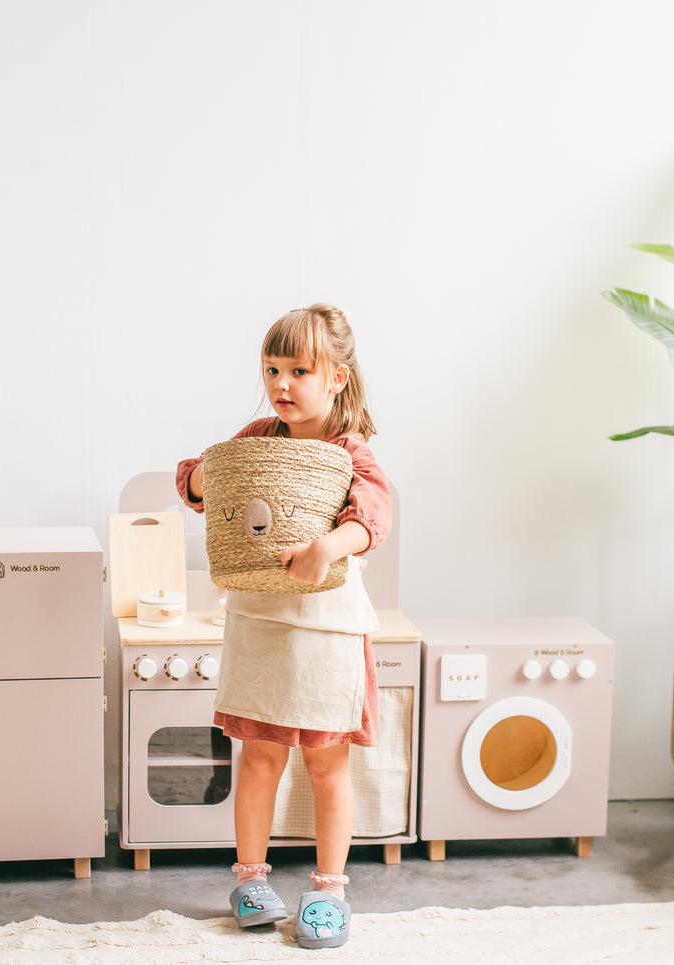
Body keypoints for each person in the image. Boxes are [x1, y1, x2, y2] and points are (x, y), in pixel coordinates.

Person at [176, 303, 390, 950]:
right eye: (273, 368)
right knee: (260, 757)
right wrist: (203, 478)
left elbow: (373, 513)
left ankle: (328, 889)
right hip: (263, 622)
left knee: (327, 767)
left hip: (323, 630)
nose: (282, 382)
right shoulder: (258, 438)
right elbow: (195, 478)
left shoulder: (348, 451)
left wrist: (329, 547)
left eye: (300, 369)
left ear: (337, 378)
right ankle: (250, 879)